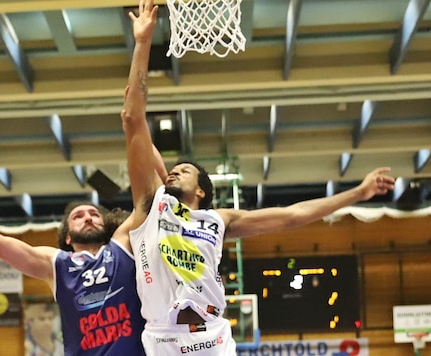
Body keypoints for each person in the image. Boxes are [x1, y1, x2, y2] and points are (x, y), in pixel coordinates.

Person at [121, 0, 396, 355]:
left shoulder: (218, 220)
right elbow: (132, 118)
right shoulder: (151, 203)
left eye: (185, 170)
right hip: (162, 339)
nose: (174, 171)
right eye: (172, 169)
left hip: (213, 338)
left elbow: (295, 215)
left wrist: (357, 193)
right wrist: (143, 43)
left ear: (202, 190)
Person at [0, 156, 166, 355]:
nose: (87, 217)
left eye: (94, 214)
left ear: (106, 225)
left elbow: (154, 197)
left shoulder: (122, 246)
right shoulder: (56, 263)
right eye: (78, 216)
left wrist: (137, 123)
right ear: (68, 237)